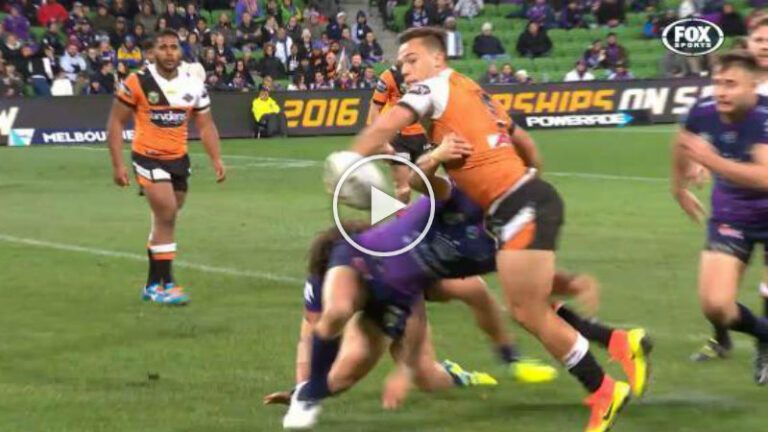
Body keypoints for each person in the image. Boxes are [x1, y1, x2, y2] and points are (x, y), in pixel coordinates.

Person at [331, 27, 641, 432]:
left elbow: (386, 125)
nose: (404, 69)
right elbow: (525, 144)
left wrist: (347, 158)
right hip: (514, 207)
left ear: (438, 59)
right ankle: (618, 347)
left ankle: (603, 389)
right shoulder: (472, 91)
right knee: (530, 305)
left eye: (412, 59)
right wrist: (524, 178)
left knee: (528, 309)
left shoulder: (434, 88)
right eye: (401, 62)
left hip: (515, 208)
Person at [284, 129, 651, 430]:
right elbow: (421, 182)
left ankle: (614, 344)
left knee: (512, 307)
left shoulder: (499, 243)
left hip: (415, 278)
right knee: (350, 328)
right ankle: (307, 394)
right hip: (389, 255)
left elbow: (528, 280)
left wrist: (570, 283)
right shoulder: (460, 199)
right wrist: (436, 155)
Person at [106, 29, 226, 306]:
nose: (169, 53)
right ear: (152, 52)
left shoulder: (193, 84)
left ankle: (151, 285)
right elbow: (116, 122)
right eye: (163, 47)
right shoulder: (137, 81)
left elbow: (205, 125)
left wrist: (216, 159)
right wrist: (117, 164)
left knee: (165, 219)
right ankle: (166, 283)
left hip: (178, 159)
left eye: (174, 47)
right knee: (167, 213)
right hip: (147, 156)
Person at [672, 50, 768, 385]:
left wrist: (712, 162)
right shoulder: (703, 110)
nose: (721, 91)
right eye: (718, 83)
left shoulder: (764, 117)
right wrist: (679, 188)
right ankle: (764, 334)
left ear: (753, 85)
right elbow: (683, 142)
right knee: (715, 306)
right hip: (733, 214)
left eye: (731, 84)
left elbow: (765, 177)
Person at [370, 63, 430, 204]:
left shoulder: (426, 71)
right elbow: (375, 107)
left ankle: (428, 216)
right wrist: (382, 142)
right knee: (404, 190)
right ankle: (403, 217)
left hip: (424, 137)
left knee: (428, 185)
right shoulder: (389, 76)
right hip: (399, 139)